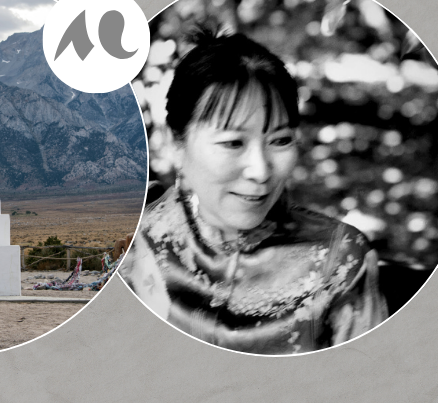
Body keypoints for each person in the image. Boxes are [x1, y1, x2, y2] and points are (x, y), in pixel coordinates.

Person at [118, 29, 387, 354]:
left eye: (280, 140)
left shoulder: (336, 260)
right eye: (233, 143)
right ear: (176, 145)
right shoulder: (127, 242)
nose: (260, 171)